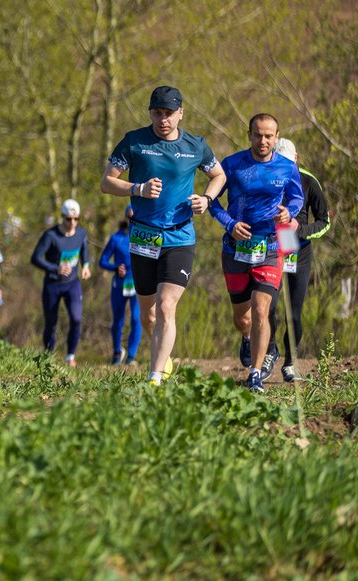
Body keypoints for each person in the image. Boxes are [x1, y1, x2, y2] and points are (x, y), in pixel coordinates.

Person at [100, 85, 225, 386]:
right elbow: (106, 183)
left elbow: (219, 175)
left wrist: (206, 199)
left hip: (180, 237)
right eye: (157, 113)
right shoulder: (134, 142)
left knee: (167, 306)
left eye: (169, 113)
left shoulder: (196, 146)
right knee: (149, 315)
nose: (163, 119)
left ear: (181, 113)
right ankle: (162, 358)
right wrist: (137, 189)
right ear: (150, 113)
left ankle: (154, 379)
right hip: (144, 236)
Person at [207, 114, 304, 392]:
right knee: (244, 318)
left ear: (276, 137)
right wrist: (230, 224)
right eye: (258, 135)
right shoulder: (232, 164)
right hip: (235, 247)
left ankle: (256, 373)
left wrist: (289, 212)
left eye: (269, 136)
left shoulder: (287, 167)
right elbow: (211, 201)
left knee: (262, 310)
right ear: (249, 134)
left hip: (271, 247)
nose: (263, 141)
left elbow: (297, 198)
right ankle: (247, 336)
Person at [270, 138, 331, 382]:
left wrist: (301, 230)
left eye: (289, 162)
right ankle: (269, 351)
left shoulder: (308, 181)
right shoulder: (265, 177)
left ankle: (290, 362)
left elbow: (324, 221)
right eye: (280, 162)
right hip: (270, 249)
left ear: (296, 158)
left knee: (293, 313)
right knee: (267, 308)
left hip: (299, 251)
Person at [30, 199, 92, 367]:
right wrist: (55, 268)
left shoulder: (81, 233)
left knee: (76, 318)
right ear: (62, 217)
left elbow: (84, 248)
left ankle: (70, 356)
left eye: (76, 219)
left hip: (72, 283)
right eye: (68, 219)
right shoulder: (51, 236)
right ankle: (48, 355)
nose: (72, 223)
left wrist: (86, 265)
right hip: (53, 284)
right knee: (51, 322)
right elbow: (35, 258)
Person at [99, 204, 141, 366]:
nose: (133, 221)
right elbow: (102, 261)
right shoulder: (116, 239)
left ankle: (131, 356)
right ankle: (117, 351)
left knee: (136, 318)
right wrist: (115, 268)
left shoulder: (144, 236)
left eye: (136, 218)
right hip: (120, 284)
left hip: (137, 283)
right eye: (130, 218)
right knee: (118, 319)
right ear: (126, 218)